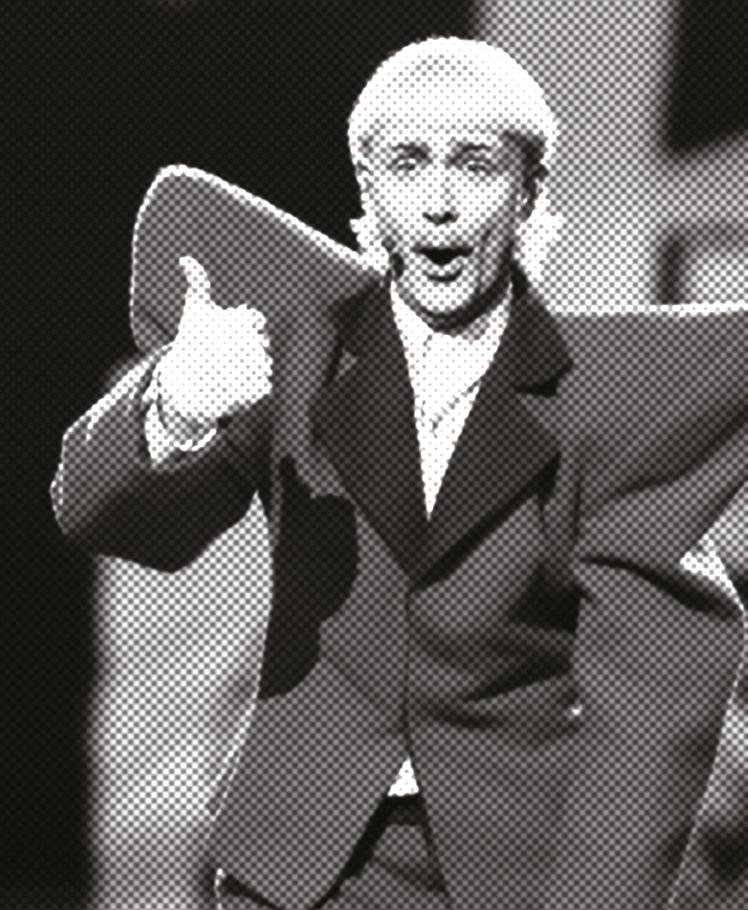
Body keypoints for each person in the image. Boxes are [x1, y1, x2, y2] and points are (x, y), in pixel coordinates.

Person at [51, 37, 748, 910]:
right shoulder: (296, 355)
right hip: (298, 867)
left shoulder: (602, 406)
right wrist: (173, 408)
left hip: (509, 874)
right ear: (367, 197)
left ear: (531, 199)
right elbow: (97, 513)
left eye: (475, 165)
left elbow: (661, 685)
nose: (439, 203)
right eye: (407, 164)